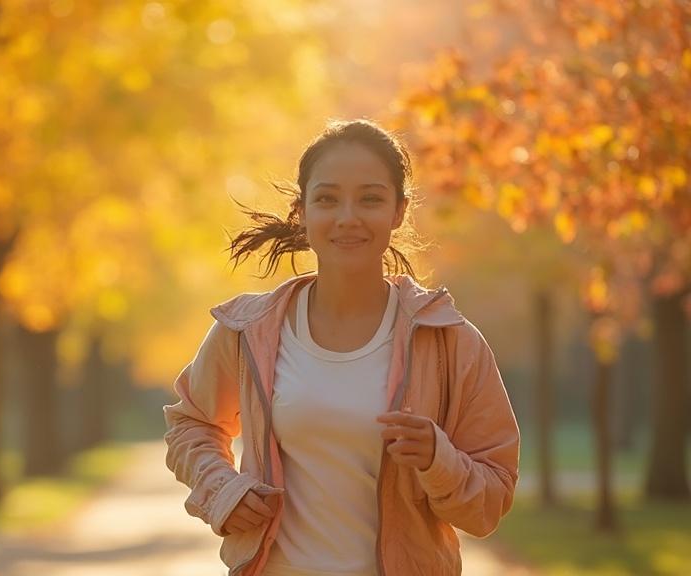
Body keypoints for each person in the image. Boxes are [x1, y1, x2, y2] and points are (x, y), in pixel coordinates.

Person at [163, 119, 520, 576]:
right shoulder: (250, 330)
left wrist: (438, 458)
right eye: (327, 199)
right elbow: (191, 423)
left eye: (370, 199)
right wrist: (223, 491)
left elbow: (490, 502)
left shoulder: (449, 341)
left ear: (399, 211)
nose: (347, 217)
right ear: (302, 211)